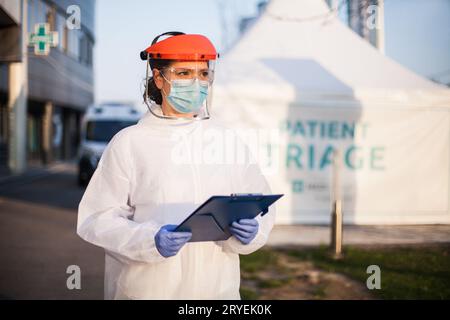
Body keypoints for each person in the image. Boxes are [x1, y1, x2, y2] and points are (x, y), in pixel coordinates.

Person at [77, 32, 276, 299]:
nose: (196, 83)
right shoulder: (130, 143)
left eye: (203, 74)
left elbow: (260, 202)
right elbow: (96, 218)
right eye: (183, 73)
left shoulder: (227, 140)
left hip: (216, 291)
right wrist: (150, 240)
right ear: (159, 78)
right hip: (147, 289)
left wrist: (254, 229)